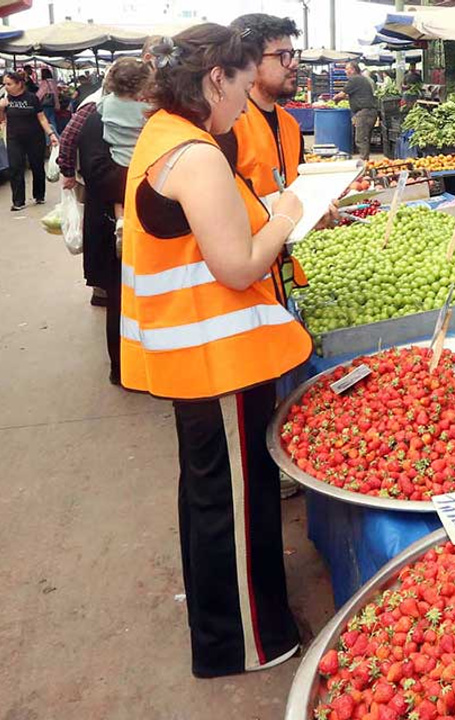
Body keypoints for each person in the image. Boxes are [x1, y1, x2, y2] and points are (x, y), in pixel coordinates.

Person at [120, 23, 310, 678]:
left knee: (211, 494)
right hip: (217, 357)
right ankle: (249, 644)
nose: (240, 104)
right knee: (233, 502)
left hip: (195, 356)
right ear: (216, 78)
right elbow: (237, 265)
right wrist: (286, 215)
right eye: (238, 81)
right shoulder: (196, 154)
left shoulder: (162, 133)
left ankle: (223, 629)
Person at [78, 58, 151, 386]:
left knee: (136, 301)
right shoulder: (97, 121)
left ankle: (142, 365)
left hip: (133, 222)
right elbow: (97, 175)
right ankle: (122, 370)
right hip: (115, 228)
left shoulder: (100, 117)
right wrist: (147, 179)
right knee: (122, 301)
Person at [216, 13, 307, 196]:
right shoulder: (224, 127)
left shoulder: (290, 126)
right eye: (283, 55)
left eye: (293, 54)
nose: (293, 64)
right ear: (248, 61)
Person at [1, 70, 59, 211]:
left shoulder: (32, 98)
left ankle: (39, 195)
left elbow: (42, 118)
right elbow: (2, 120)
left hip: (35, 137)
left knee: (37, 166)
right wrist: (1, 108)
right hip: (14, 138)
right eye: (4, 84)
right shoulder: (5, 99)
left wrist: (51, 134)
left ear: (19, 84)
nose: (6, 87)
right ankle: (18, 201)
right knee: (15, 168)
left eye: (9, 84)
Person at [333, 60, 377, 159]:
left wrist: (334, 100)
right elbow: (358, 95)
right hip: (370, 112)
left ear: (353, 70)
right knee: (365, 138)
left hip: (364, 112)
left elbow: (342, 94)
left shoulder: (354, 79)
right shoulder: (362, 79)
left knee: (361, 139)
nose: (345, 71)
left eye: (347, 69)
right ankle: (366, 160)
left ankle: (364, 162)